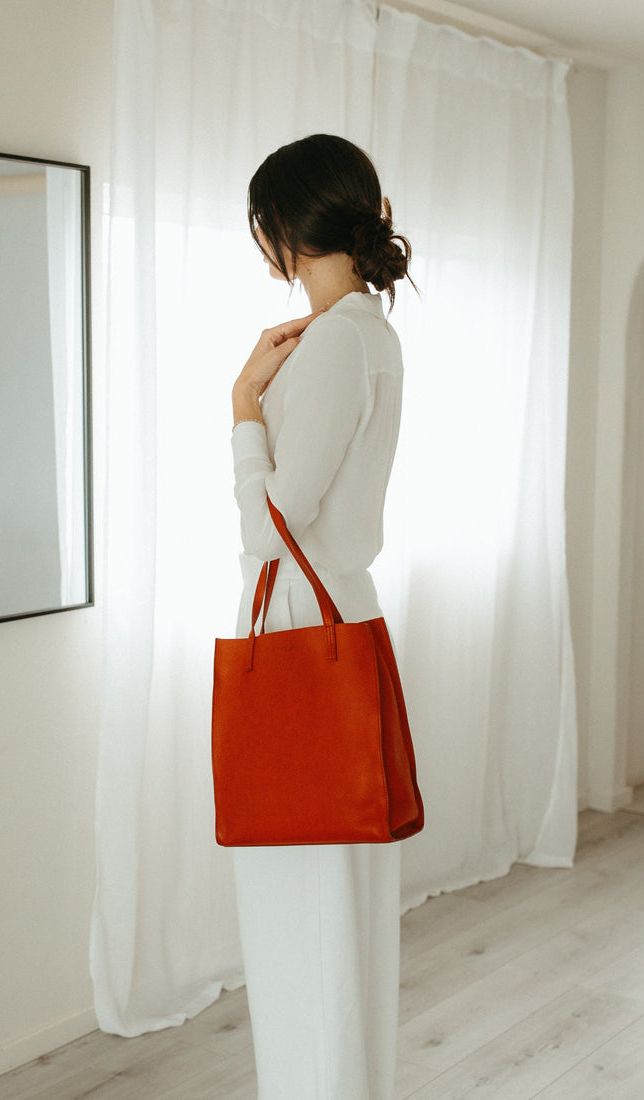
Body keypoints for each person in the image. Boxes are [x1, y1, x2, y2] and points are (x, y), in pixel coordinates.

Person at [228, 133, 414, 1099]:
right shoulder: (368, 330)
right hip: (336, 616)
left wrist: (243, 408)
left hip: (305, 621)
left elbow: (273, 525)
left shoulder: (340, 340)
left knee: (302, 900)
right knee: (331, 902)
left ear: (280, 232)